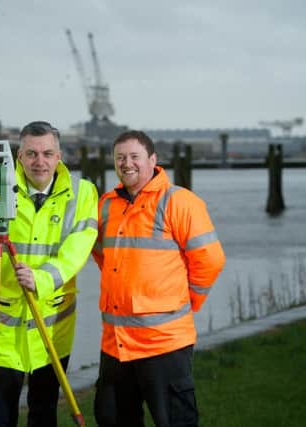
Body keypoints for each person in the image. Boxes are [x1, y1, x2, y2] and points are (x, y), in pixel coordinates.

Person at [0, 121, 98, 427]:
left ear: (59, 155)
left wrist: (41, 279)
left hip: (51, 329)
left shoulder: (82, 193)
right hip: (0, 332)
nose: (40, 161)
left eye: (48, 153)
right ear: (19, 156)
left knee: (44, 413)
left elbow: (78, 249)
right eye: (32, 154)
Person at [92, 130, 226, 427]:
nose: (127, 163)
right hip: (115, 346)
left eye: (134, 156)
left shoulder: (179, 201)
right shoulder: (105, 205)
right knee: (111, 418)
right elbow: (103, 256)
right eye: (120, 158)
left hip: (164, 344)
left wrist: (189, 300)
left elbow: (211, 260)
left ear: (152, 160)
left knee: (175, 422)